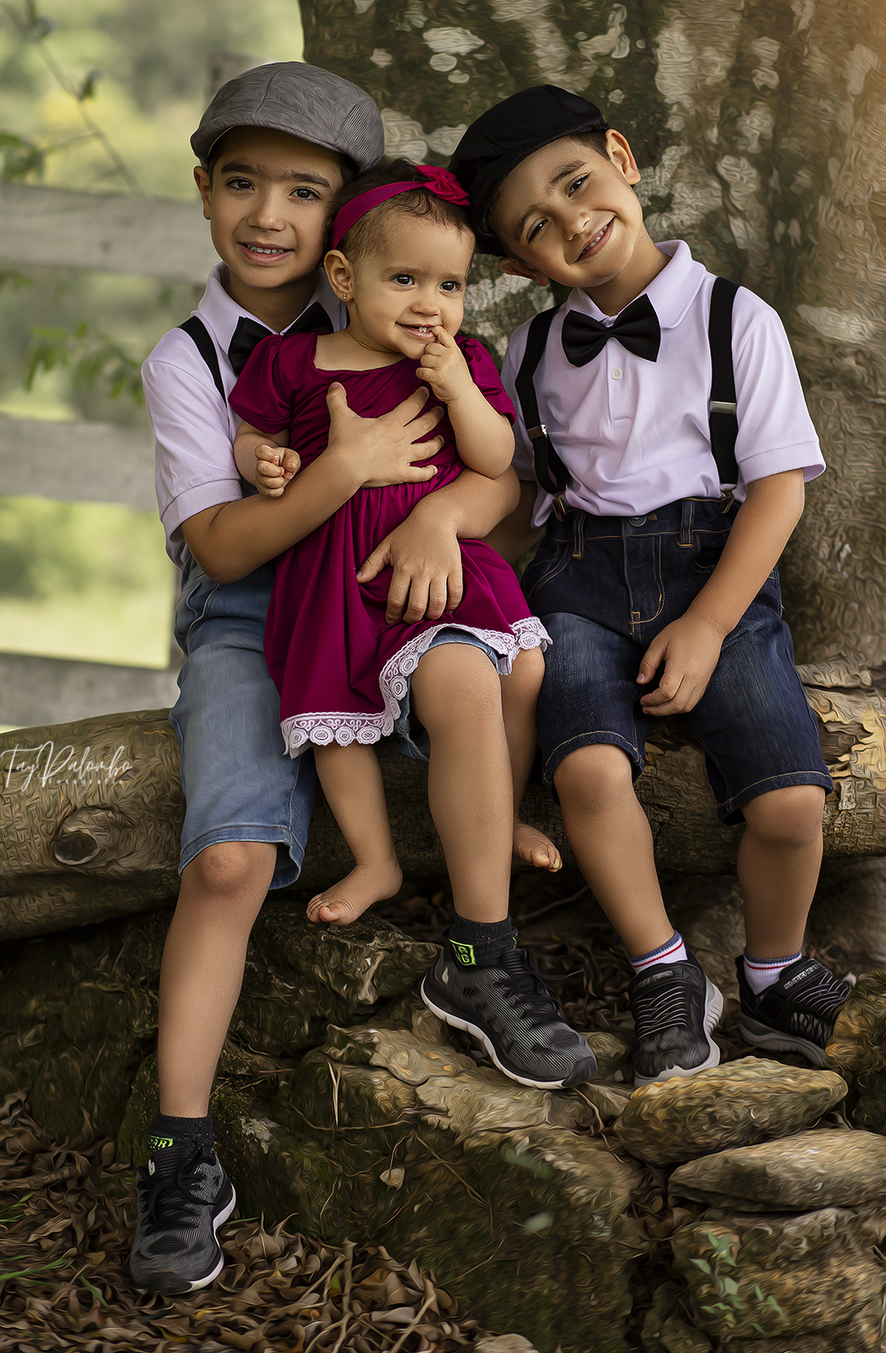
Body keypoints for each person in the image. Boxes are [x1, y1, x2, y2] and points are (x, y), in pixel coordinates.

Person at [132, 64, 533, 1296]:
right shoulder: (193, 361)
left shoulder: (409, 314)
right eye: (241, 182)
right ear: (204, 192)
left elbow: (497, 477)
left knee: (478, 675)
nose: (268, 216)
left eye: (303, 192)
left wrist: (433, 529)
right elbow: (223, 546)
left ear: (345, 217)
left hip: (392, 591)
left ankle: (486, 956)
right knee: (230, 857)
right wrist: (340, 470)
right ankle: (179, 1154)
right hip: (254, 616)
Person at [450, 84, 851, 1090]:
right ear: (516, 265)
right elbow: (520, 481)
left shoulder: (734, 319)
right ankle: (665, 974)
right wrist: (436, 530)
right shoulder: (531, 349)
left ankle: (772, 971)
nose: (570, 221)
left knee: (794, 800)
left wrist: (712, 624)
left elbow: (776, 494)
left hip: (714, 572)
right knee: (586, 771)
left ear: (622, 159)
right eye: (535, 226)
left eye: (577, 182)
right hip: (578, 581)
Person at [227, 159, 593, 1079]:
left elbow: (496, 456)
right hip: (338, 577)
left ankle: (494, 839)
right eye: (405, 281)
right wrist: (264, 464)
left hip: (443, 576)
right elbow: (252, 431)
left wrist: (460, 387)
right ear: (344, 279)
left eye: (451, 285)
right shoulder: (292, 361)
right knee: (337, 721)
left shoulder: (461, 362)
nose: (430, 302)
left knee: (509, 674)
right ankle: (378, 860)